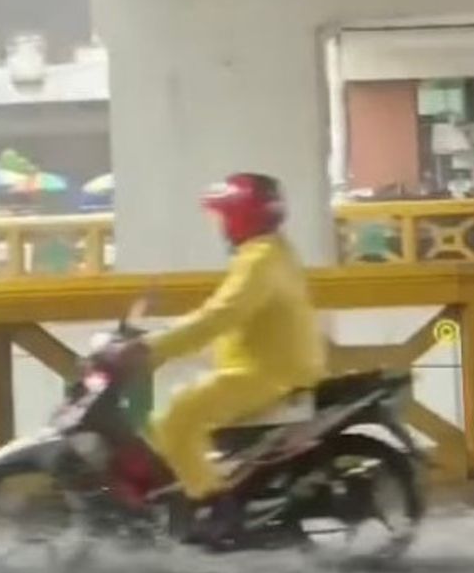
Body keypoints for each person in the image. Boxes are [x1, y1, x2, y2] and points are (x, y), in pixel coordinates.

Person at [108, 173, 327, 546]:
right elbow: (222, 313)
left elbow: (221, 315)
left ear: (243, 217)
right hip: (269, 364)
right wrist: (160, 337)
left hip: (266, 372)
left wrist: (153, 348)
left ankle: (215, 507)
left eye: (226, 216)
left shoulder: (258, 261)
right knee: (180, 405)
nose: (222, 226)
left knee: (178, 417)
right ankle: (201, 489)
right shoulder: (272, 250)